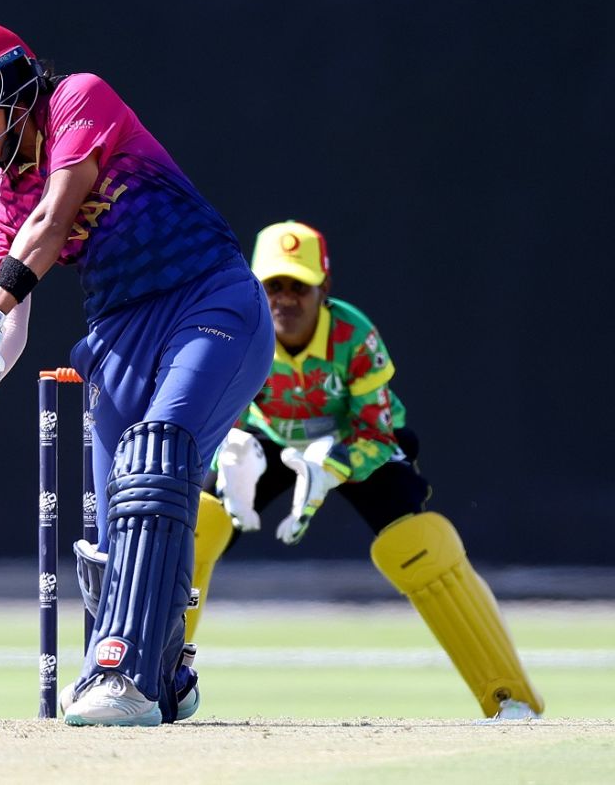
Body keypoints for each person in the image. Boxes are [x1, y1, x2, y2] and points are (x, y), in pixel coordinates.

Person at [0, 20, 274, 726]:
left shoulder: (78, 99)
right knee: (112, 530)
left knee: (155, 459)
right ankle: (161, 670)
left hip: (210, 299)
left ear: (9, 79)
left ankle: (120, 674)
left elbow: (55, 214)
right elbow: (3, 334)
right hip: (120, 338)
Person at [182, 219, 544, 720]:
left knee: (420, 545)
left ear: (323, 288)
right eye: (273, 286)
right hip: (270, 440)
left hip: (355, 441)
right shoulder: (240, 330)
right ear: (254, 287)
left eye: (298, 286)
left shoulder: (353, 335)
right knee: (193, 524)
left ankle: (511, 697)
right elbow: (224, 414)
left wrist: (327, 468)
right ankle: (154, 681)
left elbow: (376, 431)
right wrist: (233, 458)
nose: (285, 299)